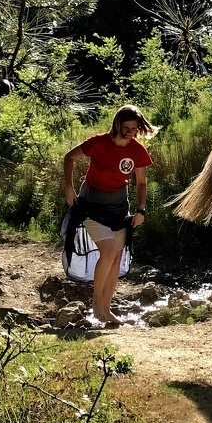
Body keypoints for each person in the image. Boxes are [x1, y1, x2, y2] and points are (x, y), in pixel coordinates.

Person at [63, 105, 156, 326]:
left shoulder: (137, 150)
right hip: (91, 205)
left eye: (135, 128)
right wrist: (69, 187)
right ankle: (96, 303)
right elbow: (69, 158)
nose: (132, 132)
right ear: (117, 124)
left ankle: (107, 309)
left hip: (118, 207)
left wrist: (141, 209)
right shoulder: (98, 143)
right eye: (127, 128)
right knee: (109, 250)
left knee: (116, 258)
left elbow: (141, 183)